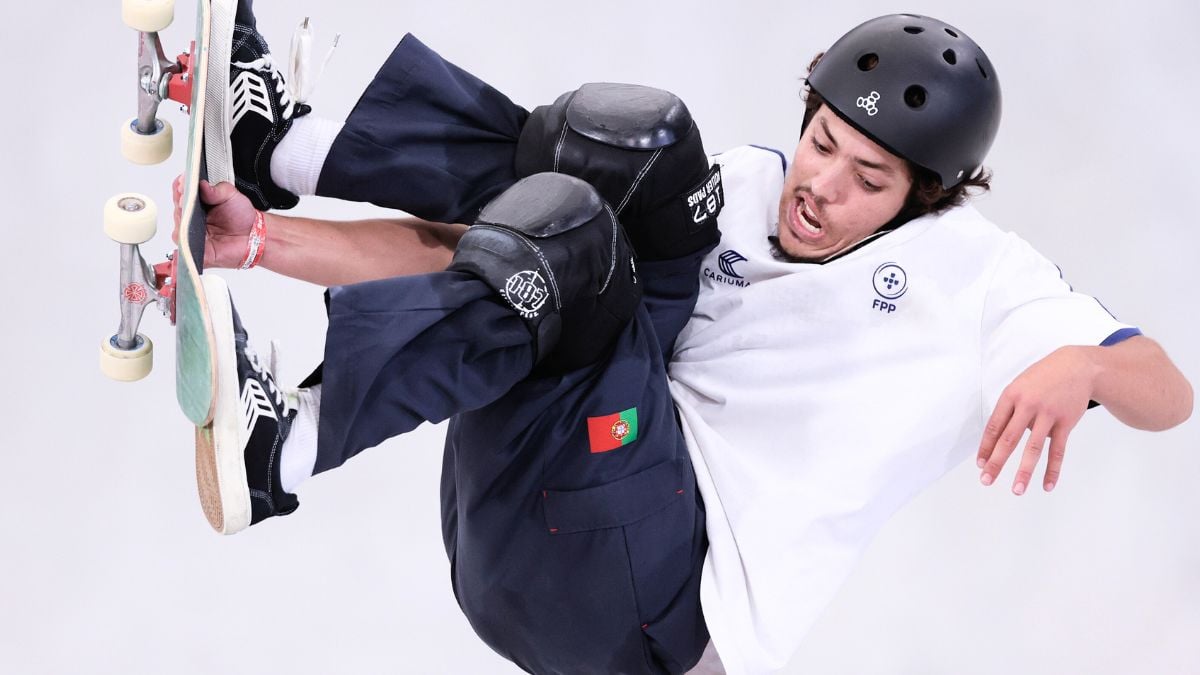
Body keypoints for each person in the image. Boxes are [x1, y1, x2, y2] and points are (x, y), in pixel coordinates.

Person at [178, 4, 1192, 673]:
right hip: (532, 505)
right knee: (635, 149)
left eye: (866, 182)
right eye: (823, 143)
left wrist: (1084, 362)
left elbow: (1168, 392)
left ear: (924, 199)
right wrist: (261, 244)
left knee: (576, 234)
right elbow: (475, 251)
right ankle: (282, 152)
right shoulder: (747, 187)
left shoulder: (982, 278)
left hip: (647, 609)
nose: (819, 186)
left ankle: (282, 450)